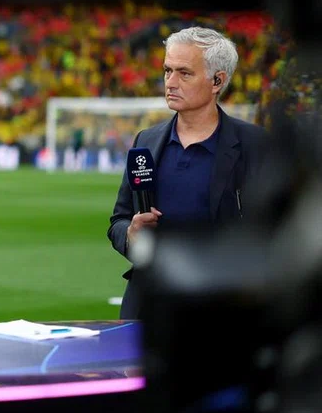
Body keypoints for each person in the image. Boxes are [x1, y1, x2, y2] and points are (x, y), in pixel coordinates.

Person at [108, 26, 268, 319]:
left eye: (184, 73)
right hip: (149, 306)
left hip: (220, 308)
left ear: (217, 81)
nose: (171, 82)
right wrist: (131, 234)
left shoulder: (255, 145)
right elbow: (118, 220)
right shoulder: (147, 140)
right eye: (168, 71)